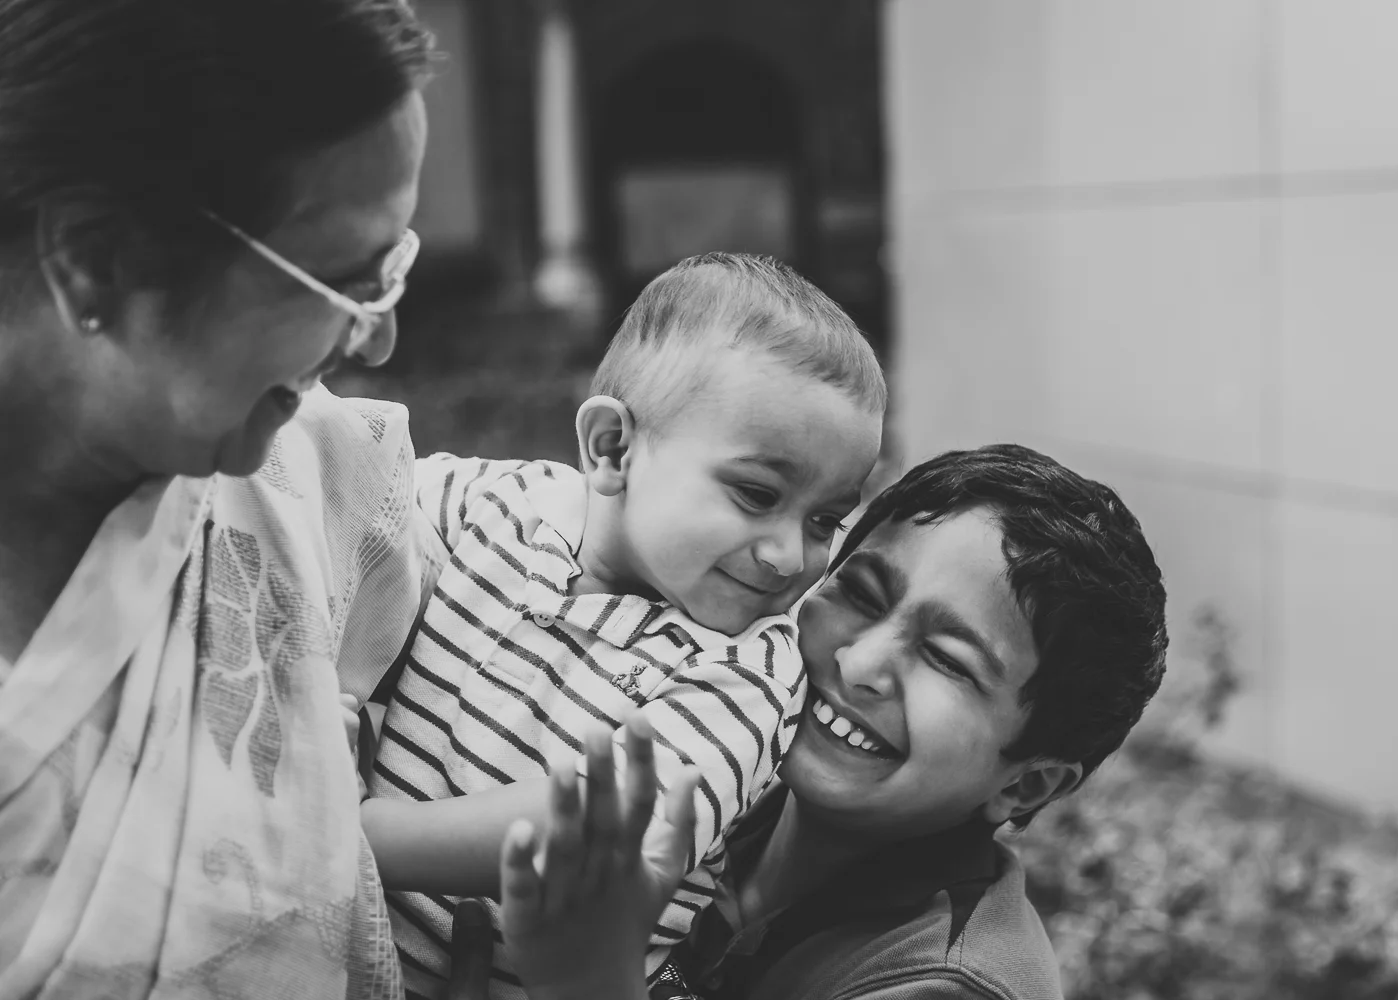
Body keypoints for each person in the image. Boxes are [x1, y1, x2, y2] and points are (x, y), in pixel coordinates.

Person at [0, 1, 443, 996]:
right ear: (91, 257)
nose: (378, 341)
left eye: (394, 270)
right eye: (347, 281)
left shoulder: (316, 479)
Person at [360, 254, 887, 998]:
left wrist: (350, 833)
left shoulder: (754, 673)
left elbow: (590, 835)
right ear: (613, 448)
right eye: (756, 494)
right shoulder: (503, 504)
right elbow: (349, 493)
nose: (789, 555)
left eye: (826, 519)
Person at [490, 444, 1170, 1000]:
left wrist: (587, 986)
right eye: (860, 593)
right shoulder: (716, 764)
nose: (860, 660)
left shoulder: (946, 981)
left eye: (946, 659)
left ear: (1027, 784)